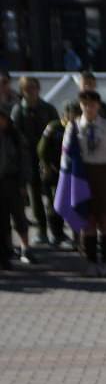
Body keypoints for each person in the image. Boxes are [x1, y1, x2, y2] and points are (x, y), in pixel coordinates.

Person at [72, 90, 106, 276]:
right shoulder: (74, 127)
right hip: (84, 176)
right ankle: (91, 262)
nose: (89, 108)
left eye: (93, 105)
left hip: (104, 175)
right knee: (88, 222)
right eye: (85, 105)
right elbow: (66, 155)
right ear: (80, 106)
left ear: (98, 106)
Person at [11, 77, 59, 252]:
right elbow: (14, 135)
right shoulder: (18, 110)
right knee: (35, 197)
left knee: (53, 196)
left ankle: (57, 231)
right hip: (29, 159)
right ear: (22, 91)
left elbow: (57, 131)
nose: (31, 91)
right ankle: (41, 230)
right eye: (27, 88)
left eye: (33, 87)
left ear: (39, 89)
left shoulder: (48, 108)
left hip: (48, 159)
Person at [38, 101, 79, 252]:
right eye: (73, 114)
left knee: (73, 204)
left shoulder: (78, 128)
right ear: (66, 114)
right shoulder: (54, 127)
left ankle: (76, 237)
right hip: (53, 172)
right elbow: (41, 149)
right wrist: (48, 166)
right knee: (55, 204)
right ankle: (57, 234)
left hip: (70, 172)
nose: (75, 117)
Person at [0, 110, 24, 271]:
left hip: (10, 181)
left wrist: (22, 182)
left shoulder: (14, 136)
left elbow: (23, 159)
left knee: (8, 220)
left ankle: (6, 255)